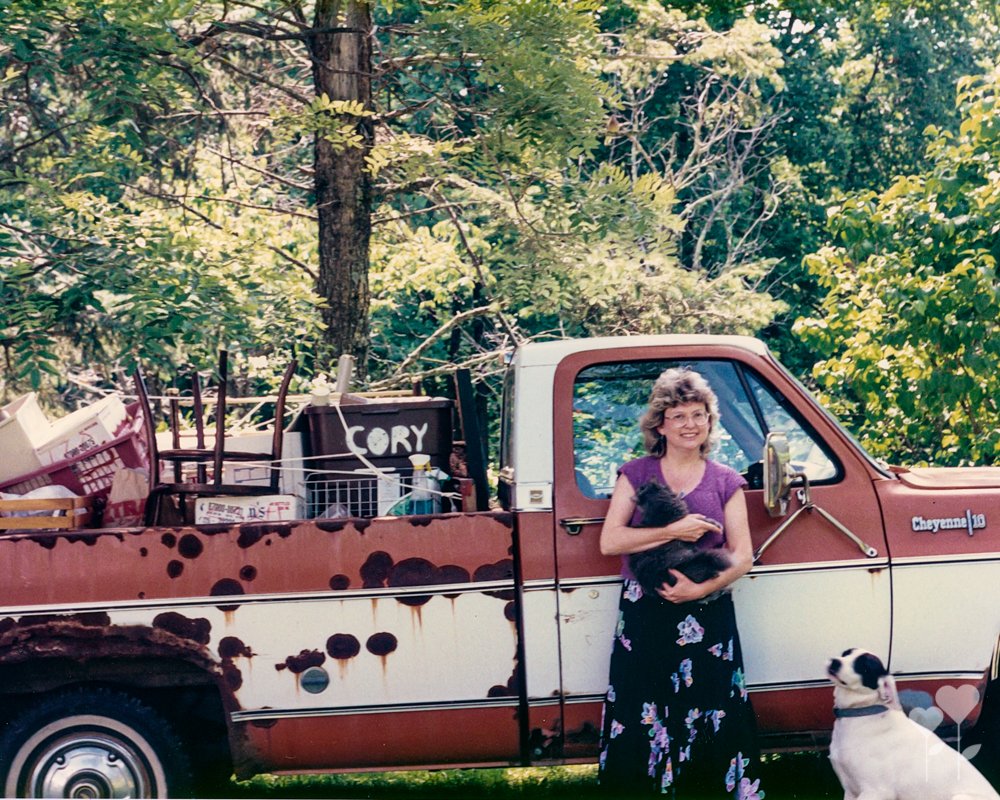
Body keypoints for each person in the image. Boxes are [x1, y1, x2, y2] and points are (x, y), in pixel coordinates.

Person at [597, 367, 763, 799]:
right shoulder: (635, 474)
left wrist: (699, 590)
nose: (690, 424)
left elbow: (742, 555)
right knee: (642, 706)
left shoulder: (726, 480)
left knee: (711, 707)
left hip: (707, 612)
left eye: (698, 414)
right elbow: (610, 541)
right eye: (678, 416)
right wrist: (675, 530)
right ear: (660, 425)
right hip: (644, 608)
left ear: (710, 420)